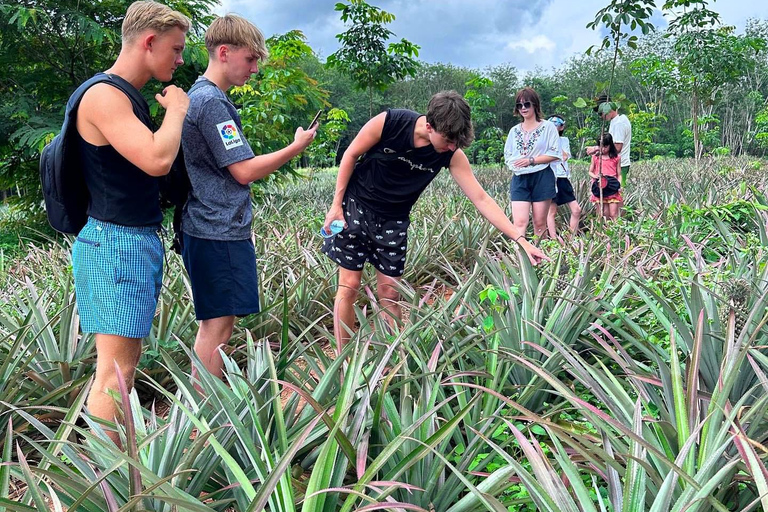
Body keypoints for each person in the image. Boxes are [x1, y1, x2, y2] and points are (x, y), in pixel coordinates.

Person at [322, 91, 548, 348]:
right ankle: (344, 362)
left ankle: (394, 361)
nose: (452, 147)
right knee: (349, 286)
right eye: (449, 140)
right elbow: (350, 155)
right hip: (356, 205)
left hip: (394, 219)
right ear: (429, 126)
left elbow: (481, 198)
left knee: (390, 293)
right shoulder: (390, 123)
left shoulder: (451, 154)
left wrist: (521, 239)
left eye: (457, 142)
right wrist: (335, 207)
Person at [71, 0, 190, 445]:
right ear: (149, 41)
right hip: (115, 243)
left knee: (123, 366)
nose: (179, 60)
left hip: (128, 241)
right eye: (175, 49)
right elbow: (158, 158)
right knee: (115, 373)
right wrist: (176, 109)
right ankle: (108, 483)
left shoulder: (124, 96)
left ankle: (115, 468)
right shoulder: (104, 95)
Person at [180, 14, 317, 387]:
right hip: (217, 227)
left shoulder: (203, 97)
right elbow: (243, 170)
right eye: (251, 59)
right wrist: (295, 147)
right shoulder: (211, 104)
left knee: (219, 322)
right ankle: (205, 412)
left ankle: (204, 407)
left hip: (210, 225)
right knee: (219, 326)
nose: (254, 68)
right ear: (224, 52)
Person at [504, 87, 561, 239]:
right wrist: (515, 164)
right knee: (519, 223)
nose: (523, 108)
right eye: (519, 105)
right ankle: (519, 258)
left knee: (539, 224)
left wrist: (531, 160)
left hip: (542, 176)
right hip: (520, 178)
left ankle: (540, 258)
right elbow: (508, 154)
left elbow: (555, 153)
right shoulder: (514, 131)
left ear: (535, 105)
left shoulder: (547, 127)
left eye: (527, 104)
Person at [545, 115, 581, 237]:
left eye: (557, 124)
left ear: (561, 127)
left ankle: (571, 237)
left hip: (563, 178)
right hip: (551, 177)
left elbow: (564, 156)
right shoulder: (544, 141)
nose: (554, 127)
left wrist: (555, 141)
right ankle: (554, 240)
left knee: (576, 209)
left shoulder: (564, 140)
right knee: (552, 211)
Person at [587, 94, 632, 188]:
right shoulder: (616, 121)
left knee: (617, 193)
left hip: (619, 164)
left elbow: (617, 148)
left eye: (601, 113)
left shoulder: (619, 123)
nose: (601, 116)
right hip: (614, 163)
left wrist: (596, 149)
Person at [589, 133, 622, 221]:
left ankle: (615, 231)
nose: (602, 149)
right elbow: (590, 171)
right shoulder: (595, 157)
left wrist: (619, 185)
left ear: (610, 145)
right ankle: (602, 231)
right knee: (602, 214)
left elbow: (619, 174)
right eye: (600, 146)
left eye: (605, 146)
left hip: (612, 187)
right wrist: (595, 176)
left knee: (613, 213)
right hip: (600, 186)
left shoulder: (616, 158)